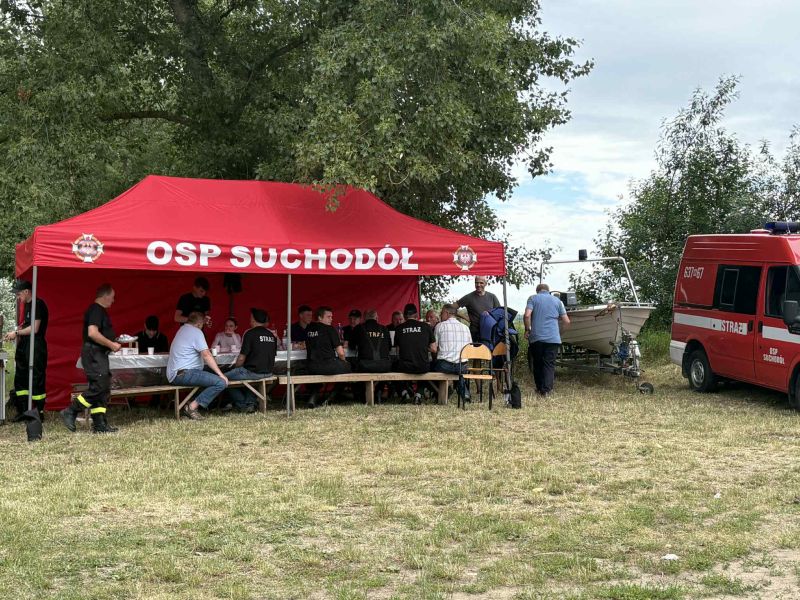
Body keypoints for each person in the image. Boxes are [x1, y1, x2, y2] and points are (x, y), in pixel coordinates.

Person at [60, 283, 122, 433]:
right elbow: (93, 333)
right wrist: (112, 344)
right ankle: (71, 410)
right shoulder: (96, 310)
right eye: (112, 297)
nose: (113, 300)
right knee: (99, 386)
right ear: (105, 296)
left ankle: (99, 424)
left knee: (103, 388)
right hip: (94, 353)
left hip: (99, 353)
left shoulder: (100, 311)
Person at [167, 311, 228, 420]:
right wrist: (221, 374)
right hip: (185, 373)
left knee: (211, 376)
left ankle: (191, 403)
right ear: (199, 324)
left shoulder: (182, 329)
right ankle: (191, 408)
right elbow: (206, 354)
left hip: (177, 374)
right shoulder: (196, 332)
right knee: (220, 382)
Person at [4, 280, 48, 421]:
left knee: (36, 377)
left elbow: (34, 328)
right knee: (21, 377)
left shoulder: (38, 304)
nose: (18, 298)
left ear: (26, 291)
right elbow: (27, 325)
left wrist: (16, 333)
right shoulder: (27, 305)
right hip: (25, 344)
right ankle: (23, 410)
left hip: (36, 346)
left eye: (18, 294)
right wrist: (16, 331)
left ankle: (38, 412)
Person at [225, 308, 277, 413]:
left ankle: (242, 404)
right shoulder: (271, 335)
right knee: (249, 380)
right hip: (268, 372)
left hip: (252, 372)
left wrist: (236, 369)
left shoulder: (250, 333)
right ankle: (251, 403)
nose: (249, 320)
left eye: (251, 318)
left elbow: (241, 358)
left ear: (253, 320)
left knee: (221, 379)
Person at [524, 283, 570, 396]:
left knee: (538, 363)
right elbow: (567, 321)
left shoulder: (532, 298)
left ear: (537, 291)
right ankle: (547, 390)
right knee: (549, 364)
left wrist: (527, 329)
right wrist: (559, 333)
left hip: (537, 338)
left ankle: (539, 388)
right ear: (548, 291)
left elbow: (527, 315)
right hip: (553, 338)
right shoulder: (558, 301)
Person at [305, 306, 351, 407]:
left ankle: (313, 398)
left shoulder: (308, 328)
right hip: (327, 365)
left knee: (319, 373)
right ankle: (330, 399)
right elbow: (341, 353)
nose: (331, 319)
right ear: (319, 317)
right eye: (328, 317)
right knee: (349, 368)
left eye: (331, 317)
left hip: (311, 366)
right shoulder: (330, 329)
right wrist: (344, 362)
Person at [393, 303, 437, 404]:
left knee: (392, 367)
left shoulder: (399, 328)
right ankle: (418, 394)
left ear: (404, 316)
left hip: (405, 367)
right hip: (423, 367)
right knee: (428, 367)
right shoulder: (426, 327)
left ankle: (404, 393)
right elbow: (434, 349)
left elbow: (397, 351)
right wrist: (423, 348)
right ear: (417, 315)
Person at [434, 303, 473, 401]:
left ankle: (441, 392)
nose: (440, 315)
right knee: (458, 371)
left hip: (444, 366)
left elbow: (434, 347)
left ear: (447, 313)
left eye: (441, 313)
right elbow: (470, 347)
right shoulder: (465, 328)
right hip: (462, 366)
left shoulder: (439, 326)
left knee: (428, 367)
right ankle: (465, 393)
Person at [457, 276, 501, 341]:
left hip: (490, 333)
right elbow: (452, 308)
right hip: (474, 334)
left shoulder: (492, 297)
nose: (478, 285)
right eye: (476, 283)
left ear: (485, 284)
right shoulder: (468, 297)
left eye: (481, 283)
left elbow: (499, 313)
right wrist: (466, 318)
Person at [351, 309, 392, 373]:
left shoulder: (358, 328)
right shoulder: (384, 329)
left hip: (365, 366)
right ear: (376, 318)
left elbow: (352, 346)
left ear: (365, 318)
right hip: (384, 366)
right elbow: (389, 347)